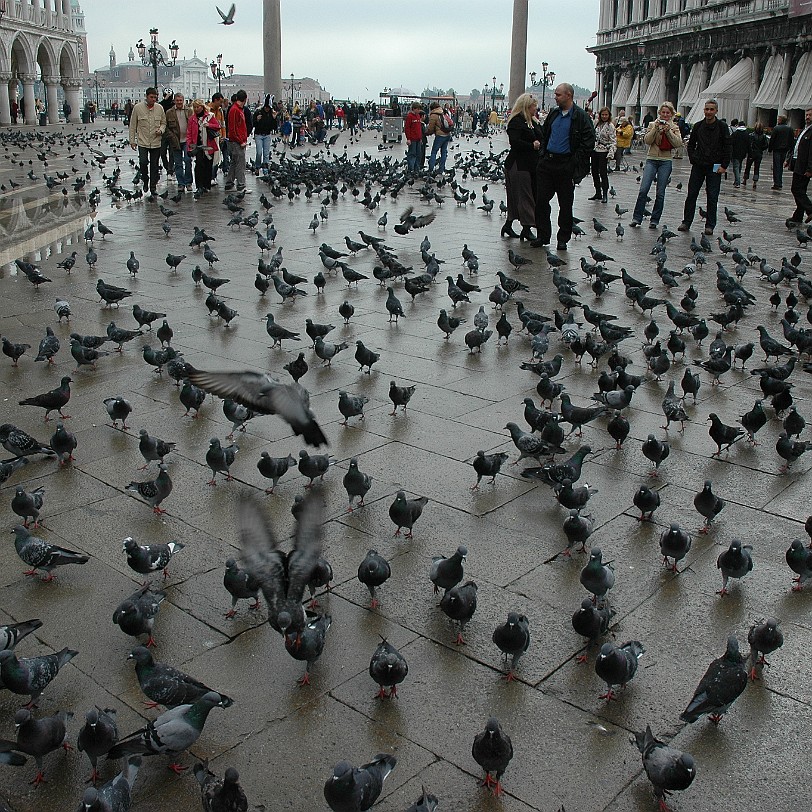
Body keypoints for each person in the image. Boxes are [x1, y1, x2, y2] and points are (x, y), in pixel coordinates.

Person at [529, 82, 595, 251]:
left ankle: (563, 238)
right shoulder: (554, 114)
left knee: (565, 204)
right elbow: (545, 134)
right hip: (547, 163)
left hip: (566, 164)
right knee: (541, 200)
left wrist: (574, 162)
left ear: (569, 96)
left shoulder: (580, 117)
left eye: (558, 94)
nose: (555, 97)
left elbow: (588, 142)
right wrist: (542, 154)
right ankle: (543, 235)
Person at [678, 99, 731, 236]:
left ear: (716, 111)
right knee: (691, 194)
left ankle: (710, 225)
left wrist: (724, 165)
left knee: (712, 196)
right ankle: (686, 221)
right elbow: (691, 144)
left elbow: (728, 146)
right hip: (699, 165)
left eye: (711, 109)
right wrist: (693, 158)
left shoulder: (722, 127)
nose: (708, 112)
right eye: (707, 109)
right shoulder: (698, 126)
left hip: (715, 166)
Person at [629, 101, 682, 229]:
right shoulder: (652, 124)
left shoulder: (674, 127)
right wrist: (655, 129)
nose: (665, 115)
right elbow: (647, 140)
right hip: (651, 159)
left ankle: (655, 220)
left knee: (660, 192)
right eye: (663, 112)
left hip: (665, 160)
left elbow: (678, 143)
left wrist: (668, 131)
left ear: (671, 114)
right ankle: (637, 217)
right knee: (643, 189)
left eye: (667, 113)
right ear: (659, 113)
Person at [503, 93, 543, 241]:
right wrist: (532, 145)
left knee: (523, 196)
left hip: (531, 164)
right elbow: (515, 142)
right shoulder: (516, 121)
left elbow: (542, 137)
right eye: (534, 106)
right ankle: (526, 228)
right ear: (526, 106)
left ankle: (508, 225)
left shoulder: (534, 121)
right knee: (524, 196)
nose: (536, 109)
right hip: (518, 164)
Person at [129, 86, 166, 199]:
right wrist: (132, 141)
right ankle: (145, 179)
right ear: (146, 96)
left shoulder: (159, 108)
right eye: (151, 97)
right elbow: (133, 125)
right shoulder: (137, 108)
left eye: (155, 97)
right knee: (143, 162)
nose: (153, 100)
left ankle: (153, 187)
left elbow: (164, 123)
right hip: (143, 141)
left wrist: (161, 130)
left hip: (156, 142)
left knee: (154, 166)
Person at [186, 98, 221, 197]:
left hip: (208, 145)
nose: (197, 109)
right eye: (195, 107)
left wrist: (208, 124)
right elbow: (189, 133)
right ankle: (199, 186)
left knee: (208, 165)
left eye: (198, 107)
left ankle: (206, 185)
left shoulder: (209, 116)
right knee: (199, 165)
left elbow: (218, 126)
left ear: (202, 107)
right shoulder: (192, 119)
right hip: (197, 145)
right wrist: (189, 147)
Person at [786, 107, 812, 227]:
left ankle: (809, 210)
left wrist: (810, 169)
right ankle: (798, 215)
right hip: (798, 163)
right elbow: (797, 146)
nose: (807, 117)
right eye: (806, 115)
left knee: (797, 189)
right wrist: (790, 160)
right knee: (798, 189)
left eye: (810, 115)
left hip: (804, 166)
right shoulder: (805, 129)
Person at [165, 92, 193, 192]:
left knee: (187, 160)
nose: (179, 102)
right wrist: (171, 137)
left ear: (183, 100)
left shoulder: (189, 111)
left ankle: (189, 182)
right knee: (178, 163)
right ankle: (181, 183)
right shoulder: (169, 112)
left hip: (187, 140)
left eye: (181, 100)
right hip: (175, 140)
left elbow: (193, 125)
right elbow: (166, 127)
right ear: (174, 101)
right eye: (177, 101)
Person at [224, 88, 249, 192]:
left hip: (238, 140)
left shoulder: (238, 109)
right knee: (240, 164)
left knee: (234, 162)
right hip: (237, 142)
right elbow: (233, 129)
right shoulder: (235, 110)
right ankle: (241, 185)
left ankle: (229, 183)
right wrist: (241, 141)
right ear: (245, 99)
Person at [589, 107, 616, 202]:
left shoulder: (610, 126)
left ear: (609, 116)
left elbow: (613, 141)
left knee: (603, 173)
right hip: (595, 150)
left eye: (606, 115)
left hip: (604, 151)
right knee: (594, 172)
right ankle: (597, 192)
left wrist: (611, 152)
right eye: (602, 115)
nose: (604, 116)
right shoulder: (596, 123)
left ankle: (605, 194)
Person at [427, 102, 453, 174]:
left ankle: (431, 169)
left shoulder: (434, 115)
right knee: (443, 152)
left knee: (434, 152)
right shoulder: (444, 112)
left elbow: (431, 128)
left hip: (440, 135)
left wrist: (427, 133)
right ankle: (441, 169)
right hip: (447, 134)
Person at [769, 115, 793, 190]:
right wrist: (791, 149)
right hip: (785, 149)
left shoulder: (776, 128)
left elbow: (772, 139)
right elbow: (791, 140)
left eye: (778, 119)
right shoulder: (789, 129)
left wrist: (770, 149)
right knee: (780, 166)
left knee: (776, 166)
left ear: (780, 120)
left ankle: (777, 183)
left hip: (777, 149)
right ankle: (779, 182)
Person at [743, 122, 768, 190]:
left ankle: (745, 179)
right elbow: (766, 145)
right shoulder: (764, 136)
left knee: (748, 167)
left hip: (752, 153)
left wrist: (749, 151)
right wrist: (761, 149)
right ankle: (755, 181)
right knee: (757, 168)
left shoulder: (751, 135)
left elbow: (749, 145)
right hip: (759, 153)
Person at [253, 96, 274, 173]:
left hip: (267, 135)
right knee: (259, 152)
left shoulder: (271, 114)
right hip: (258, 135)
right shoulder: (258, 112)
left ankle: (265, 168)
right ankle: (257, 166)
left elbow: (274, 127)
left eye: (269, 108)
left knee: (266, 153)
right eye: (266, 107)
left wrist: (274, 119)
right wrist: (257, 120)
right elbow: (253, 124)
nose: (267, 109)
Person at [404, 101, 424, 173]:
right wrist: (408, 138)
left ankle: (416, 169)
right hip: (412, 139)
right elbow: (407, 128)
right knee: (412, 154)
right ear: (414, 109)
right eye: (418, 109)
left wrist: (421, 138)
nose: (419, 111)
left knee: (419, 154)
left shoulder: (418, 116)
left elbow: (419, 128)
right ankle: (411, 169)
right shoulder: (409, 116)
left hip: (418, 139)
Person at [730, 119, 749, 188]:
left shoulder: (735, 133)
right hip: (743, 153)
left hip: (735, 152)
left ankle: (737, 182)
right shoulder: (746, 134)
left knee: (736, 167)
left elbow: (731, 143)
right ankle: (736, 180)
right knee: (739, 166)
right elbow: (749, 144)